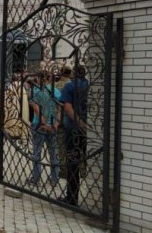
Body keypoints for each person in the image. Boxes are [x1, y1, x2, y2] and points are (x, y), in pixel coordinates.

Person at [58, 66, 89, 207]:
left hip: (73, 129)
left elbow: (68, 108)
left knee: (72, 164)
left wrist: (81, 124)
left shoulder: (69, 86)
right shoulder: (90, 85)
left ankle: (72, 197)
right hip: (92, 131)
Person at [28, 71, 61, 186]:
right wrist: (56, 123)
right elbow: (60, 108)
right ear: (50, 78)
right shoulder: (56, 91)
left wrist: (42, 120)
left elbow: (35, 106)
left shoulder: (36, 90)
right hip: (52, 126)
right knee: (53, 152)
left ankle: (36, 178)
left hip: (39, 125)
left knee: (37, 151)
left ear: (39, 78)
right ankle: (54, 178)